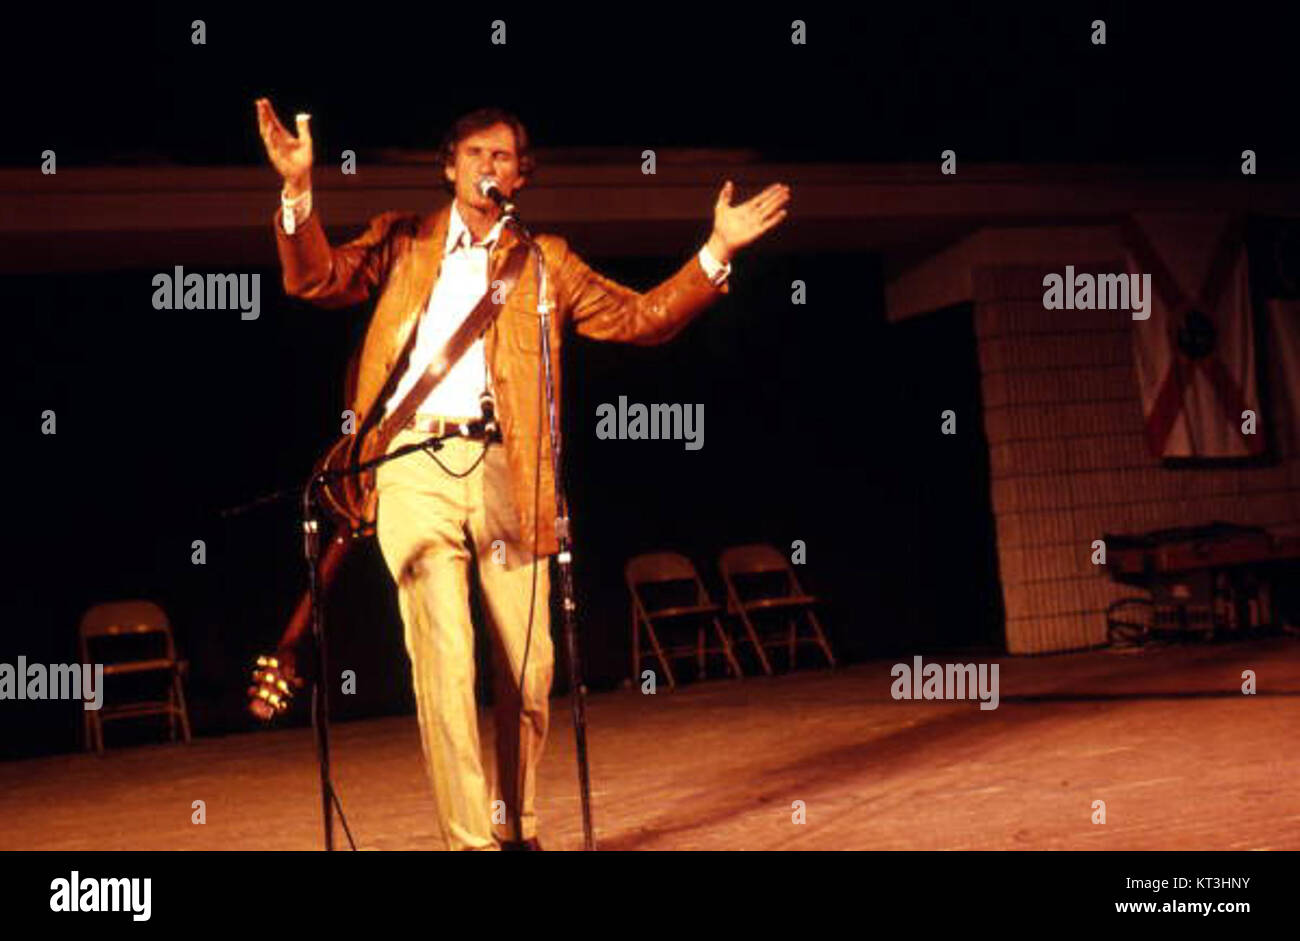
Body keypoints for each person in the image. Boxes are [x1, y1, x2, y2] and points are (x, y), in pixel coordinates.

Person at [255, 99, 790, 850]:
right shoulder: (403, 240)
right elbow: (315, 280)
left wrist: (716, 250)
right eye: (472, 154)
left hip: (512, 468)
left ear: (522, 177)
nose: (486, 167)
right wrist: (297, 192)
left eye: (502, 157)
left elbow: (642, 319)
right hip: (411, 466)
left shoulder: (548, 262)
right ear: (449, 168)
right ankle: (470, 842)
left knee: (530, 670)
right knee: (444, 656)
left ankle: (516, 825)